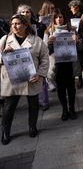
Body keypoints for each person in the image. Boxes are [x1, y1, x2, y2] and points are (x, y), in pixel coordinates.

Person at [0, 14, 49, 145]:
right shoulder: (5, 40)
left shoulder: (36, 40)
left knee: (33, 105)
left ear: (25, 25)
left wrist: (40, 74)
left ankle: (32, 126)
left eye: (17, 24)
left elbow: (44, 58)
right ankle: (5, 131)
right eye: (12, 24)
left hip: (31, 79)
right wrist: (4, 54)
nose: (14, 26)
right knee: (9, 107)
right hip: (12, 80)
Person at [44, 9, 83, 121]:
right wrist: (49, 43)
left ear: (64, 18)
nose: (59, 19)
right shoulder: (48, 32)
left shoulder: (72, 30)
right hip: (57, 65)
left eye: (61, 17)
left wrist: (78, 41)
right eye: (56, 17)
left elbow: (81, 47)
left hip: (70, 64)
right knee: (61, 89)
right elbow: (44, 51)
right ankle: (64, 109)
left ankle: (72, 109)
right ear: (53, 19)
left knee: (71, 88)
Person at [18, 4, 50, 111]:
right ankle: (32, 102)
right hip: (23, 55)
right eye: (23, 12)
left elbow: (43, 39)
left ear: (31, 13)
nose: (25, 14)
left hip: (37, 53)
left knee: (41, 79)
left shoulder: (39, 25)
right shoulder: (17, 26)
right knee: (28, 80)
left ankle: (45, 101)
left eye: (27, 12)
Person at [68, 0, 83, 90]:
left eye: (71, 8)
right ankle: (80, 80)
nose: (70, 10)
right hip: (76, 42)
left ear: (76, 8)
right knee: (79, 62)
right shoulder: (71, 18)